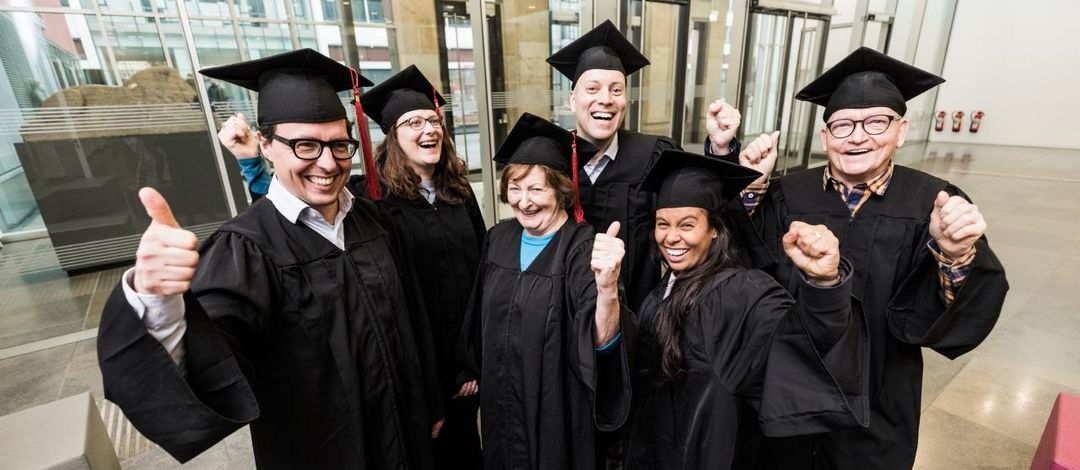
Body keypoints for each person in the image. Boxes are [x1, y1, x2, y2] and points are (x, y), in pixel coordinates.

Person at [96, 48, 444, 469]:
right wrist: (156, 298)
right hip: (322, 453)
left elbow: (415, 322)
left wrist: (430, 402)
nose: (328, 163)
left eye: (339, 144)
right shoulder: (246, 248)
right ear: (265, 143)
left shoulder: (376, 221)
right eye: (304, 145)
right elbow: (210, 360)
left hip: (407, 437)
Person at [714, 47, 1009, 469]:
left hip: (879, 393)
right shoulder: (786, 193)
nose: (857, 136)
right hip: (791, 385)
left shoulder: (934, 201)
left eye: (876, 122)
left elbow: (960, 310)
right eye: (843, 125)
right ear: (825, 137)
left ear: (901, 130)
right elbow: (743, 265)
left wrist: (955, 254)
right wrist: (750, 190)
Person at [221, 64, 485, 468]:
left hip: (440, 367)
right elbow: (291, 217)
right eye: (413, 122)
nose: (326, 163)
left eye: (433, 120)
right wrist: (252, 165)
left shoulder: (449, 196)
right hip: (380, 389)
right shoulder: (373, 200)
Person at [622, 150, 869, 470]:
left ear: (714, 230)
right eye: (662, 224)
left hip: (708, 453)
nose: (671, 237)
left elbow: (802, 338)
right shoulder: (668, 284)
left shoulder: (741, 290)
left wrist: (824, 283)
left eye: (687, 224)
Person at [457, 113, 633, 470]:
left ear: (562, 189)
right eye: (516, 188)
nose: (524, 201)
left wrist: (608, 290)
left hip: (556, 411)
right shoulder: (499, 238)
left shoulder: (583, 248)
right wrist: (467, 368)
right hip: (500, 404)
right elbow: (479, 313)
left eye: (537, 189)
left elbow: (600, 340)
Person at [546, 20, 743, 313]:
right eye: (593, 88)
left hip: (637, 316)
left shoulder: (652, 155)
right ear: (573, 99)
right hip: (562, 314)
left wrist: (721, 149)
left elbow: (705, 211)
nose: (606, 99)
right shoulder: (551, 161)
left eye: (616, 89)